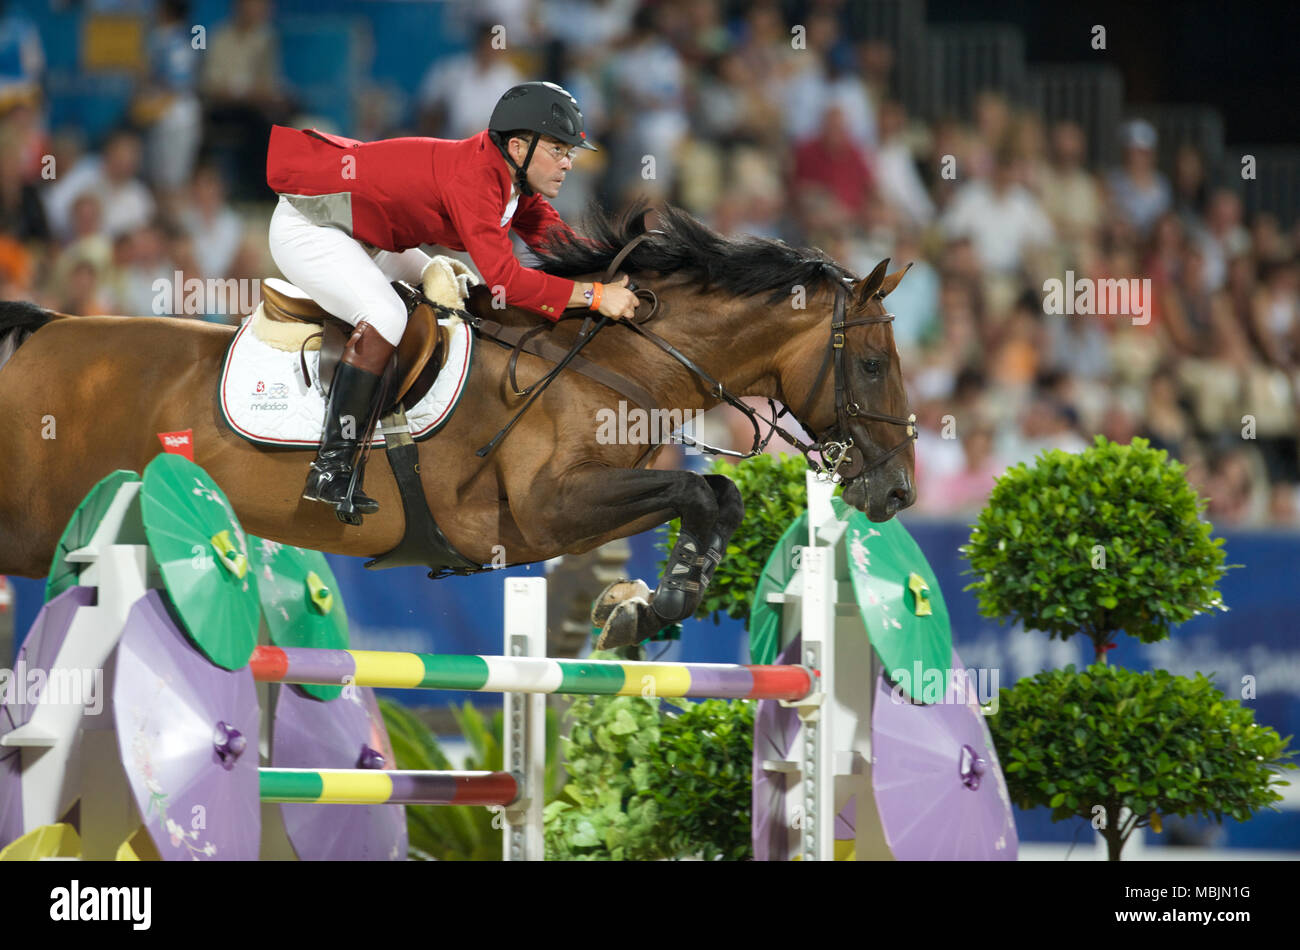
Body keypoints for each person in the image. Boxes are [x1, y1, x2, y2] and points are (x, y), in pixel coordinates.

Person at [264, 81, 640, 516]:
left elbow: (556, 241)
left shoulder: (509, 179)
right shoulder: (475, 179)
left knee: (439, 282)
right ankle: (331, 467)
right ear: (518, 147)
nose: (568, 163)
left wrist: (622, 267)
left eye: (570, 152)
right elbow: (505, 283)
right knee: (385, 316)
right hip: (310, 226)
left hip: (366, 234)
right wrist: (594, 296)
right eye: (558, 149)